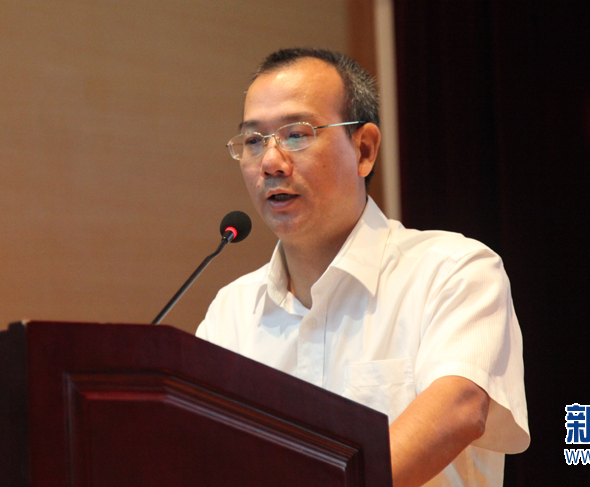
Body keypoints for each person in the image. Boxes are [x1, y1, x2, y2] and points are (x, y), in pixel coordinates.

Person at [196, 48, 529, 487]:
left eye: (296, 134)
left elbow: (460, 408)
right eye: (254, 140)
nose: (271, 162)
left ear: (364, 150)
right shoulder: (231, 313)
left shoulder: (453, 271)